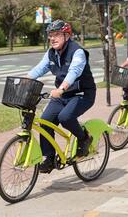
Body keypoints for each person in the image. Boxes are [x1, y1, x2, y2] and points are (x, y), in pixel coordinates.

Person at [28, 19, 96, 173]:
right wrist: (25, 80)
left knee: (65, 117)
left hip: (82, 93)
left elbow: (74, 71)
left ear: (67, 35)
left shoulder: (77, 52)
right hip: (63, 96)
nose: (52, 38)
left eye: (57, 34)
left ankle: (84, 138)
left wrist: (62, 88)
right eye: (50, 35)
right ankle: (49, 158)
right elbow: (40, 68)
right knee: (45, 121)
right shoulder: (51, 53)